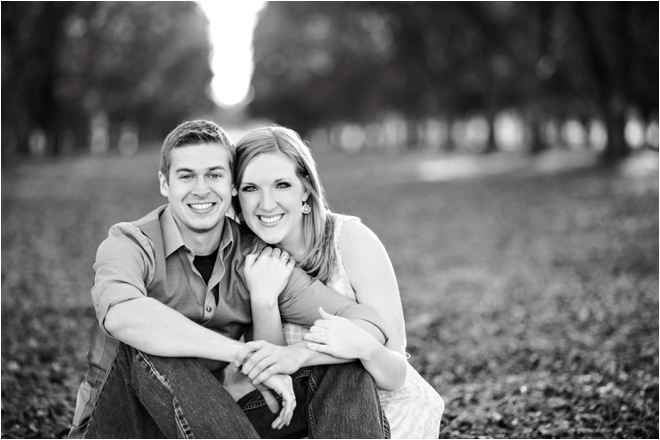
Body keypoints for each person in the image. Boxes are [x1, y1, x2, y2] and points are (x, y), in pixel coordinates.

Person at [69, 120, 391, 438]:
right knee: (150, 335)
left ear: (232, 186)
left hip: (205, 425)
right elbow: (121, 316)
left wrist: (300, 354)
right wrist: (240, 354)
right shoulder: (129, 243)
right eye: (186, 176)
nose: (201, 188)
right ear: (165, 184)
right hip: (123, 426)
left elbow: (367, 323)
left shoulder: (256, 258)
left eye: (214, 175)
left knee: (344, 366)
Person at [231, 126, 445, 439]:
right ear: (235, 194)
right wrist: (264, 300)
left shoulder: (351, 241)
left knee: (347, 366)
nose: (266, 204)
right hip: (293, 410)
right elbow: (272, 379)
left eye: (282, 185)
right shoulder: (243, 256)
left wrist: (325, 351)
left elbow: (395, 372)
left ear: (305, 189)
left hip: (376, 407)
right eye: (251, 188)